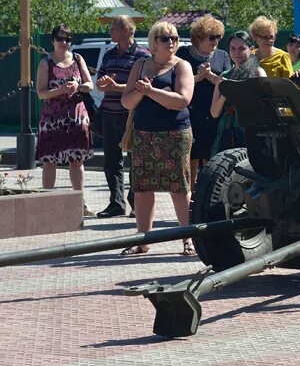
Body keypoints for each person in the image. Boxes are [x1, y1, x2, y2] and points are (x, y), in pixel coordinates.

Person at [120, 22, 195, 256]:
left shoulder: (182, 66)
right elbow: (127, 102)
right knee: (142, 188)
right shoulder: (140, 65)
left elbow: (183, 100)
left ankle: (188, 239)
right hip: (144, 135)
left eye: (174, 38)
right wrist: (140, 92)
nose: (171, 42)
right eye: (165, 38)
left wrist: (151, 91)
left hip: (175, 134)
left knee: (179, 187)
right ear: (154, 42)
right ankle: (143, 241)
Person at [36, 24, 95, 216]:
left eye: (68, 39)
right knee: (50, 161)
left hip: (76, 116)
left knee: (77, 160)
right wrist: (60, 90)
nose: (64, 43)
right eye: (60, 39)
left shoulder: (78, 59)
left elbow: (89, 85)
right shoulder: (46, 62)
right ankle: (48, 202)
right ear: (53, 40)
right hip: (53, 117)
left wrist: (78, 86)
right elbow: (41, 93)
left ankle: (79, 202)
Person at [95, 15, 151, 219]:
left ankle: (136, 203)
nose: (110, 32)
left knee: (136, 161)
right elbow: (100, 80)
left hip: (132, 116)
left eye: (114, 28)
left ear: (126, 30)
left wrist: (115, 87)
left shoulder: (143, 55)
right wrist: (103, 84)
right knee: (111, 161)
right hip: (109, 115)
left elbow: (142, 85)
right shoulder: (109, 54)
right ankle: (116, 203)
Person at [176, 14, 231, 187]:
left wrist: (209, 76)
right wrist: (198, 78)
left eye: (219, 37)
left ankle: (208, 194)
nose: (216, 41)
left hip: (213, 112)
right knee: (191, 156)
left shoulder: (222, 55)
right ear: (199, 37)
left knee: (210, 155)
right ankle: (189, 197)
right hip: (189, 112)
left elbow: (227, 84)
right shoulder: (183, 54)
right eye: (212, 37)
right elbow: (176, 81)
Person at [210, 31, 266, 155]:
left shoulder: (258, 73)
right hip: (226, 129)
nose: (236, 52)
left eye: (241, 48)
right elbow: (214, 113)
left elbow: (265, 106)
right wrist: (225, 94)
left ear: (251, 49)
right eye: (232, 48)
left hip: (249, 129)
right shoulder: (224, 76)